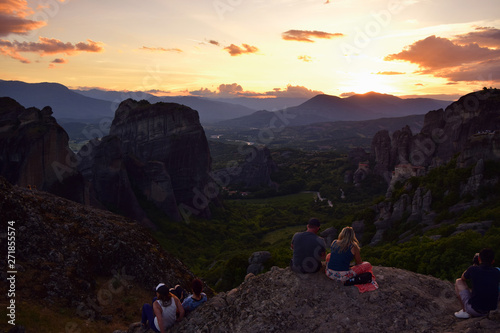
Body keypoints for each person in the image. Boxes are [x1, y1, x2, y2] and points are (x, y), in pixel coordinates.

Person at [454, 248, 500, 319]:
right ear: (493, 261)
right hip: (491, 310)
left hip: (475, 310)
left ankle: (464, 311)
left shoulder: (473, 269)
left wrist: (474, 265)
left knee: (458, 281)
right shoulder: (497, 271)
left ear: (479, 259)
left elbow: (463, 278)